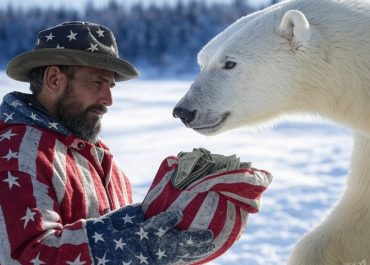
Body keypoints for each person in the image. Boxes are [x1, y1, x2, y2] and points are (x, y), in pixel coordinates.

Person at [0, 21, 215, 265]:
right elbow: (25, 256)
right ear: (54, 79)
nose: (108, 99)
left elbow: (114, 235)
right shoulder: (16, 153)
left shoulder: (100, 158)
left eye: (110, 86)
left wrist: (173, 213)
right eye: (97, 83)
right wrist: (135, 250)